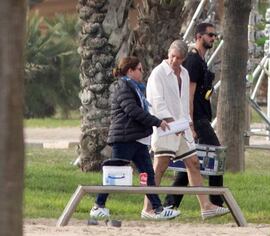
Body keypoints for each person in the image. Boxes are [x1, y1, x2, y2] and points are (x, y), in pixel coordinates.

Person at [146, 40, 229, 219]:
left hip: (182, 127)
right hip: (164, 127)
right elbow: (156, 101)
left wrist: (188, 125)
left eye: (178, 58)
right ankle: (148, 208)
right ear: (168, 54)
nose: (174, 60)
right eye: (172, 56)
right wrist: (169, 121)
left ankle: (206, 206)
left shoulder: (184, 73)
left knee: (193, 163)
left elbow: (184, 102)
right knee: (160, 166)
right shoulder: (157, 73)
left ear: (183, 59)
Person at [89, 57, 181, 221]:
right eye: (139, 69)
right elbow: (132, 110)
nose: (142, 72)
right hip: (125, 138)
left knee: (148, 174)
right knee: (114, 172)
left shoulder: (135, 88)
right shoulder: (124, 87)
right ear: (130, 71)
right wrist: (156, 122)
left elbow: (138, 111)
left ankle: (157, 209)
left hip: (137, 138)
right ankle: (98, 206)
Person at [163, 23, 224, 209]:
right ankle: (216, 202)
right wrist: (190, 124)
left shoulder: (201, 61)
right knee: (216, 155)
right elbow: (188, 95)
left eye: (215, 35)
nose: (213, 38)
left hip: (201, 117)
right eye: (210, 35)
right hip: (196, 119)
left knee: (189, 160)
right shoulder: (193, 60)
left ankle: (171, 203)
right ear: (199, 36)